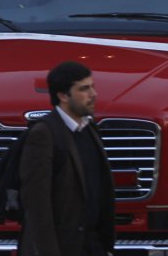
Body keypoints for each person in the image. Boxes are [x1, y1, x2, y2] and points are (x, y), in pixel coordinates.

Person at [19, 61, 114, 256]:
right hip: (63, 247)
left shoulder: (89, 130)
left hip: (92, 244)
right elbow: (37, 205)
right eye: (84, 89)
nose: (93, 94)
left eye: (92, 87)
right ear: (63, 96)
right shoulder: (44, 134)